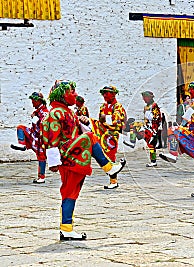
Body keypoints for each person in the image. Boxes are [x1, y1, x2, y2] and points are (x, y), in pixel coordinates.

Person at [41, 80, 126, 240]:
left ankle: (66, 228)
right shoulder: (56, 113)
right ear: (63, 94)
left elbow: (75, 129)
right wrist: (53, 161)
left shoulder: (67, 111)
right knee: (90, 137)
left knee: (71, 191)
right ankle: (108, 168)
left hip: (74, 153)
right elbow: (52, 137)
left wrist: (83, 121)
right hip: (67, 154)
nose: (75, 94)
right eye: (72, 92)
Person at [159, 81, 194, 197]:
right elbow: (187, 118)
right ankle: (173, 153)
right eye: (189, 89)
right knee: (172, 130)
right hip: (191, 132)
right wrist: (183, 125)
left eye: (192, 89)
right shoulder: (192, 103)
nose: (190, 91)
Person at [89, 85, 127, 189]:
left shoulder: (118, 106)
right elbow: (100, 120)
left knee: (110, 155)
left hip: (111, 135)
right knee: (102, 155)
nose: (105, 95)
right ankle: (113, 179)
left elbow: (117, 120)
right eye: (103, 93)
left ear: (114, 94)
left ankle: (113, 181)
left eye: (107, 93)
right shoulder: (103, 107)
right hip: (102, 133)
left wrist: (105, 118)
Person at [11, 92, 49, 184]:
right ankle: (22, 144)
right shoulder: (37, 111)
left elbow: (43, 124)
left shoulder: (44, 112)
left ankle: (41, 177)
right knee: (21, 128)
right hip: (33, 134)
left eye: (33, 101)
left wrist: (35, 118)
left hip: (40, 138)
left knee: (41, 157)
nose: (32, 103)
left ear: (38, 101)